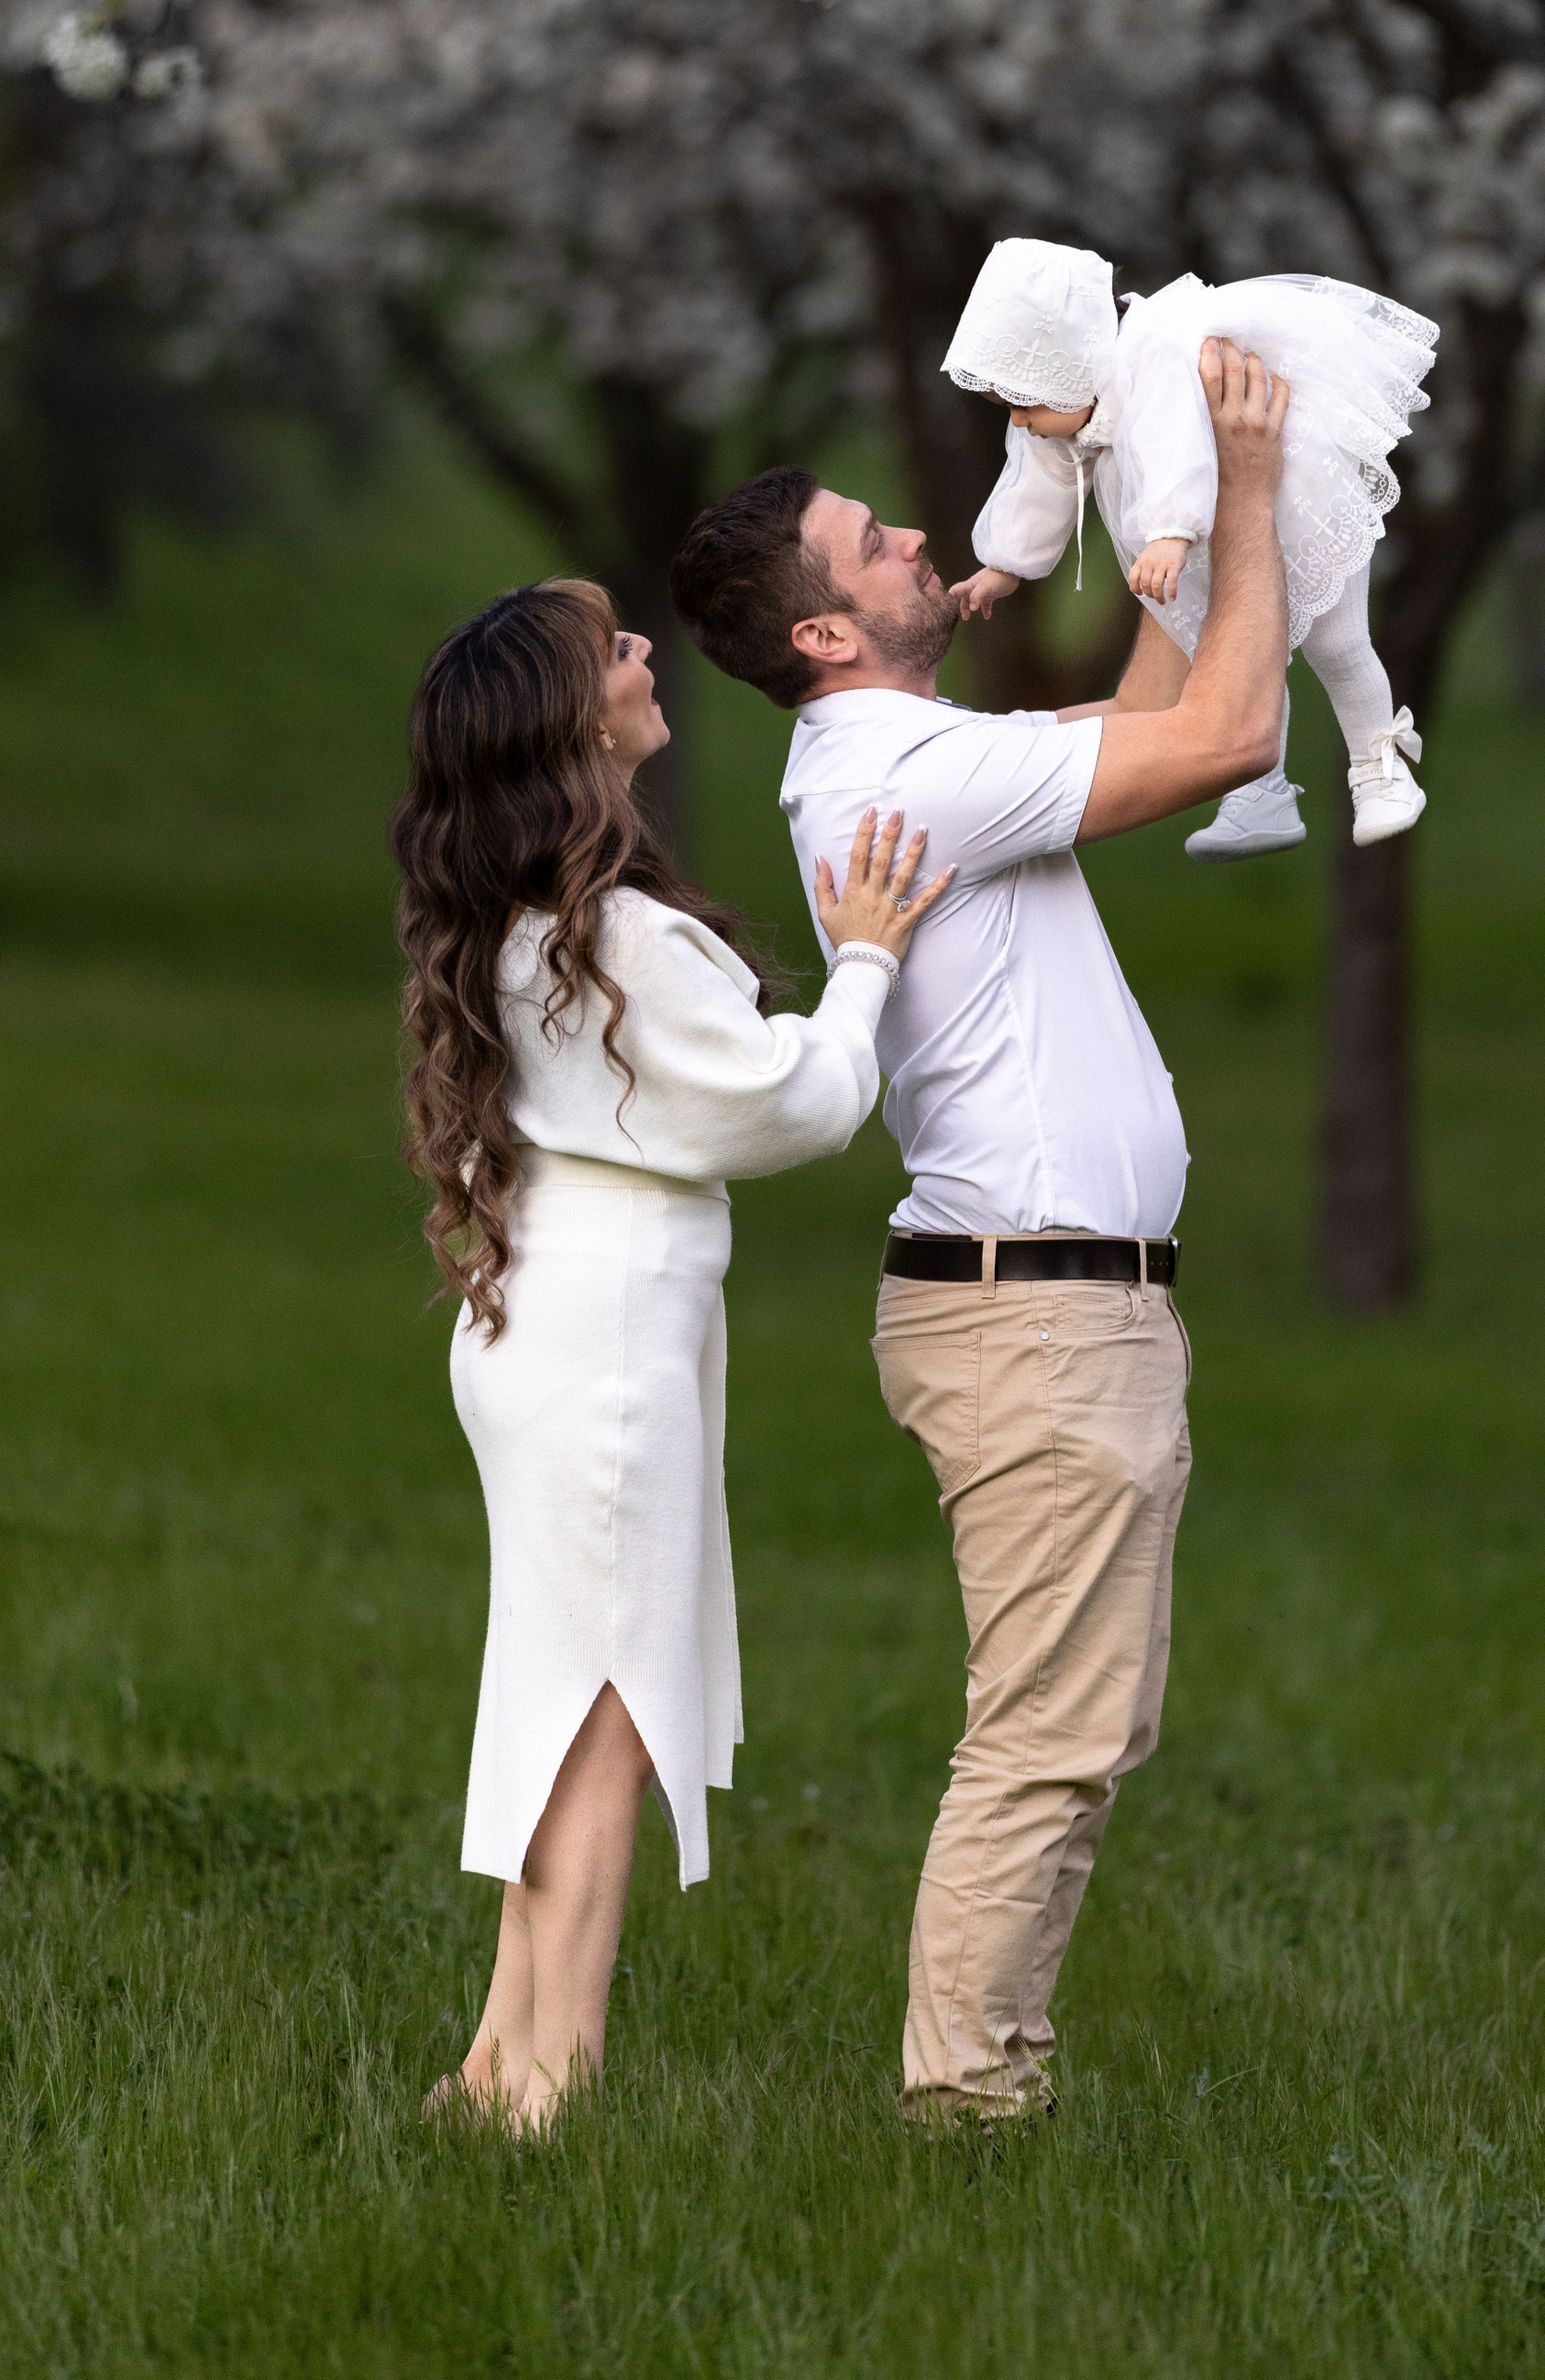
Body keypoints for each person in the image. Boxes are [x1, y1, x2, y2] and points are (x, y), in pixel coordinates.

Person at [668, 336, 1289, 2125]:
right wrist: (1247, 486)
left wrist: (1149, 520)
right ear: (822, 636)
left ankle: (978, 2078)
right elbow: (1233, 738)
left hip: (1059, 1312)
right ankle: (963, 2101)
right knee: (1047, 1735)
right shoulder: (895, 773)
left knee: (1077, 1728)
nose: (915, 529)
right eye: (871, 540)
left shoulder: (916, 749)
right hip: (1032, 1314)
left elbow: (1152, 722)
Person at [393, 576, 952, 2131]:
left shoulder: (557, 925)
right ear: (572, 719)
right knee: (607, 1703)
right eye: (612, 647)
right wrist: (866, 957)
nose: (646, 651)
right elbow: (790, 1103)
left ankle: (500, 2059)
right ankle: (546, 2080)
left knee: (565, 1689)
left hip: (568, 1328)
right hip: (605, 1341)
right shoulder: (608, 936)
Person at [941, 238, 1436, 858]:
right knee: (1225, 642)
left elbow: (1175, 441)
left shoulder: (1155, 348)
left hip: (1294, 478)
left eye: (1022, 403)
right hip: (1216, 508)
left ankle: (1380, 767)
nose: (1017, 420)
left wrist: (1170, 533)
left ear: (1065, 362)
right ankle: (1261, 792)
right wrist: (1004, 564)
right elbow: (1038, 474)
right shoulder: (1066, 396)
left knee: (1337, 641)